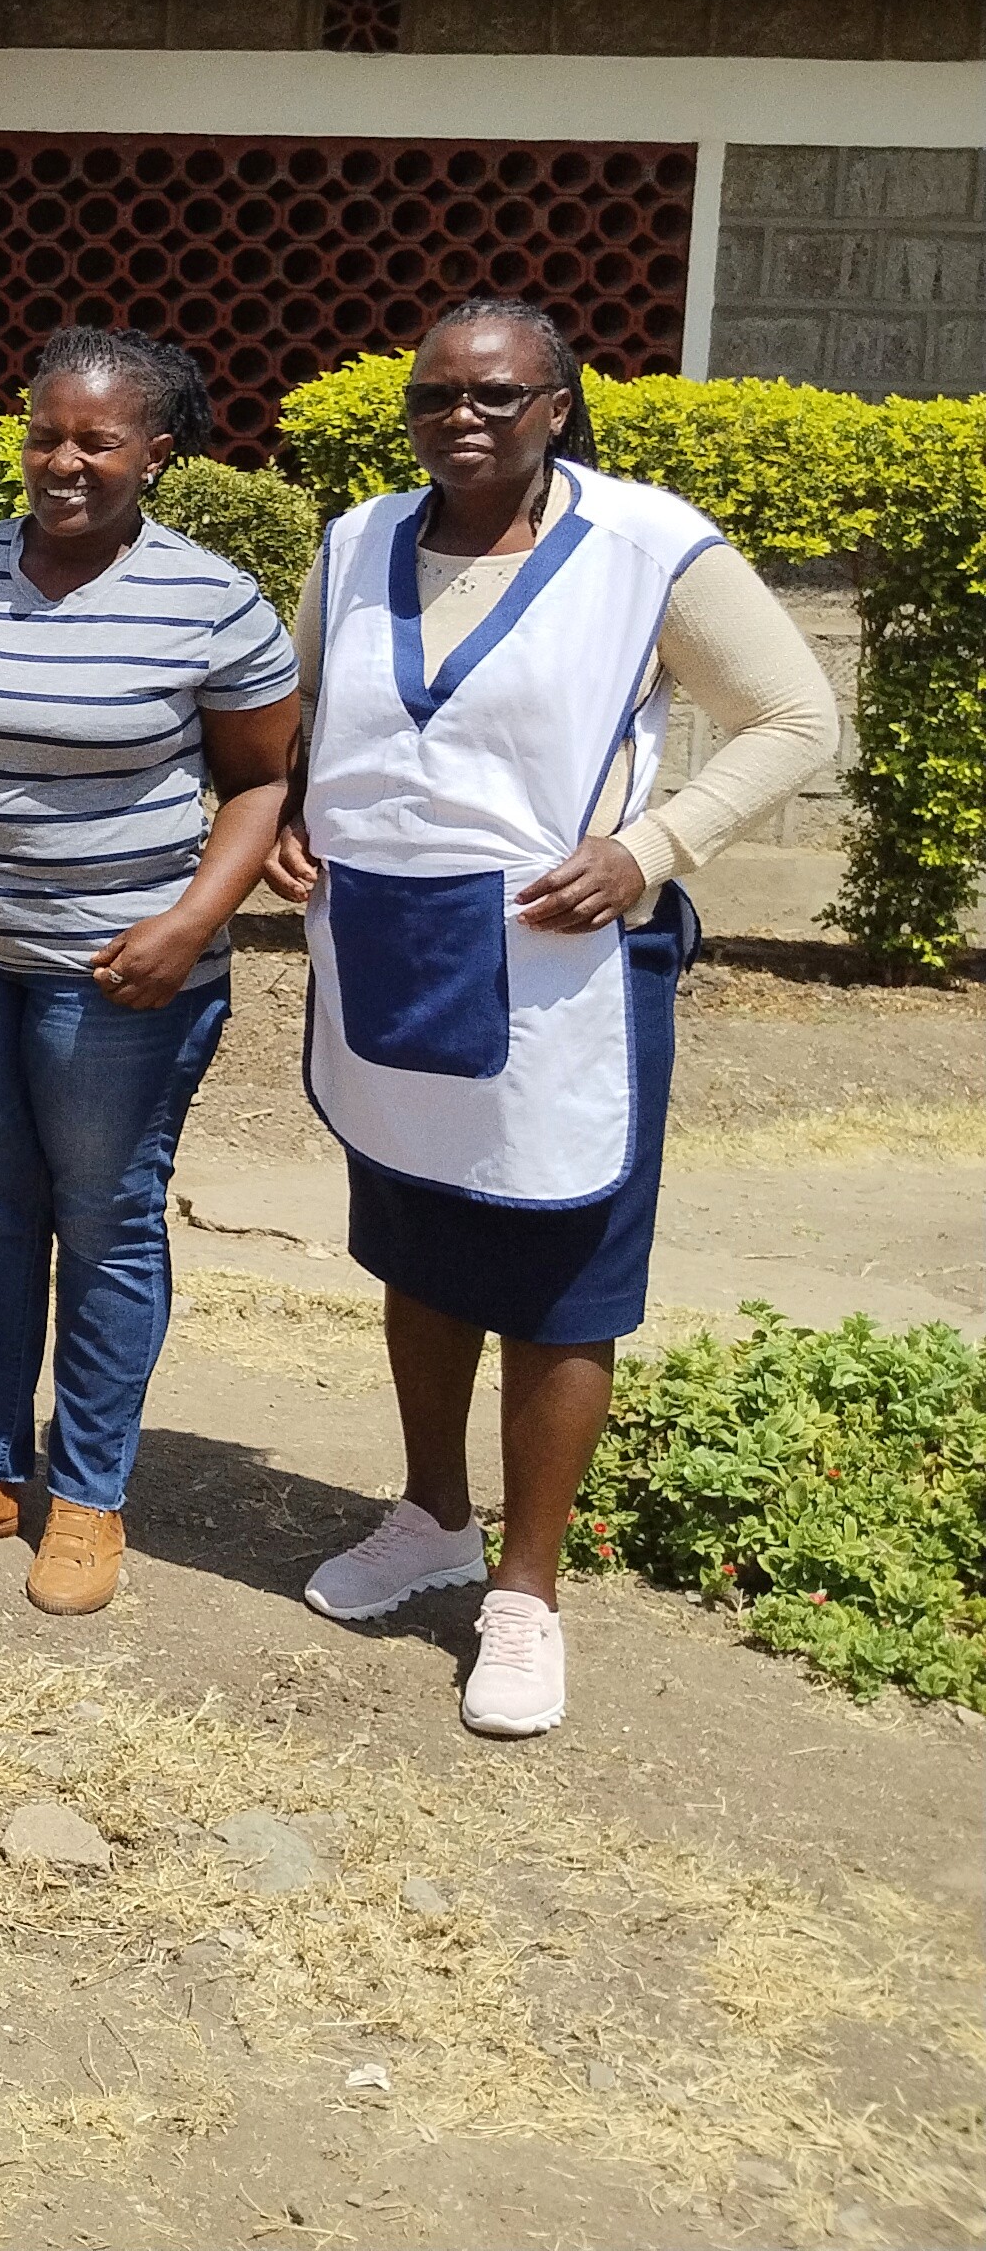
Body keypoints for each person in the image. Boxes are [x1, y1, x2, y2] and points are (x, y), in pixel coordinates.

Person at [265, 299, 832, 1738]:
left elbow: (794, 719)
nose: (463, 419)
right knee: (419, 1233)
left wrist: (656, 848)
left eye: (499, 397)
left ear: (560, 406)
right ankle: (430, 1517)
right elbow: (323, 704)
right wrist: (289, 818)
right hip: (395, 947)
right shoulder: (358, 538)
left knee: (559, 1269)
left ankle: (525, 1589)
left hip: (562, 964)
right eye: (434, 396)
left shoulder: (646, 547)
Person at [0, 329, 300, 1615]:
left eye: (96, 441)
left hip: (125, 975)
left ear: (154, 454)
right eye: (45, 433)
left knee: (105, 1224)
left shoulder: (209, 600)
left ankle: (89, 1496)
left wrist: (190, 923)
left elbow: (261, 779)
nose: (63, 461)